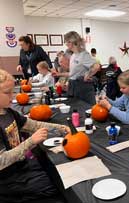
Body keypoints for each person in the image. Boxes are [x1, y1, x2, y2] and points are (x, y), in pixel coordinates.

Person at [0, 69, 70, 202]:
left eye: (13, 91)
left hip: (20, 167)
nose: (12, 96)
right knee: (57, 186)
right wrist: (31, 142)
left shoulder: (9, 112)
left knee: (56, 175)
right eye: (7, 93)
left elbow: (33, 125)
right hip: (7, 179)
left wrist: (60, 128)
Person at [64, 31, 100, 104]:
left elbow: (96, 66)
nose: (66, 44)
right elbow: (72, 73)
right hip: (74, 86)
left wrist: (88, 74)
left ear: (71, 42)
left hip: (82, 88)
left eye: (66, 42)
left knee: (84, 109)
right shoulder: (74, 55)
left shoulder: (84, 54)